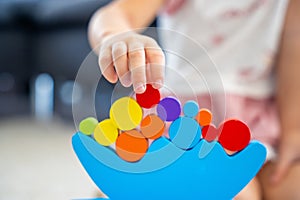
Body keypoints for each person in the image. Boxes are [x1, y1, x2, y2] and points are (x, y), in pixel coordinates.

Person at [88, 0, 300, 199]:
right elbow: (117, 13)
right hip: (184, 121)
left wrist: (293, 131)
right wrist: (115, 37)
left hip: (256, 123)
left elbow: (294, 43)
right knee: (231, 191)